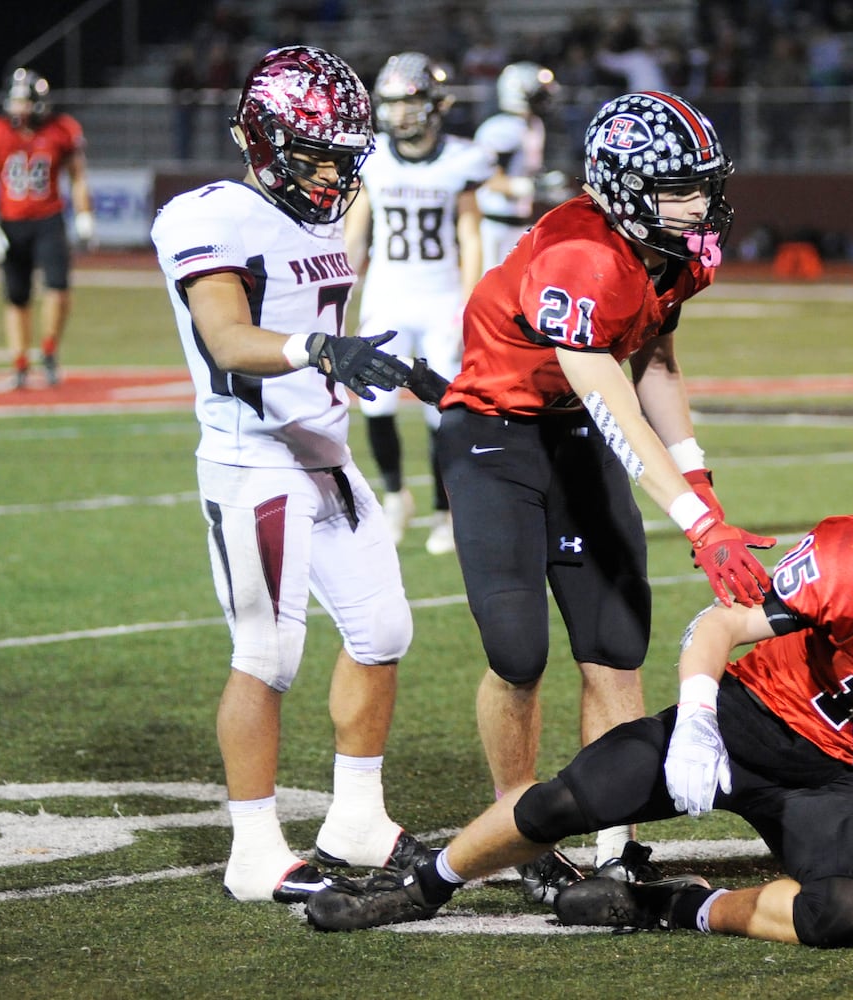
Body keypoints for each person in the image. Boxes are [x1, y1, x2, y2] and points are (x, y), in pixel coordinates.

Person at [305, 476, 853, 947]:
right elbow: (718, 625)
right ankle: (422, 889)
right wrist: (696, 722)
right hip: (741, 719)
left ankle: (671, 905)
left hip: (832, 781)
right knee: (567, 799)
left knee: (845, 912)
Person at [404, 90, 775, 903]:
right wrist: (697, 521)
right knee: (517, 654)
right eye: (680, 188)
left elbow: (655, 365)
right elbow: (612, 401)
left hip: (575, 430)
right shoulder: (581, 258)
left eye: (704, 184)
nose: (701, 204)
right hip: (497, 434)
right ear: (620, 187)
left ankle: (617, 841)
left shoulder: (674, 253)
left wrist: (699, 478)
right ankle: (517, 828)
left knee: (615, 645)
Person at [149, 45, 433, 905]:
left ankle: (355, 816)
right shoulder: (207, 217)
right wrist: (315, 348)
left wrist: (395, 370)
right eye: (318, 155)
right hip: (252, 463)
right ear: (263, 140)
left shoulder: (312, 217)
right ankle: (254, 850)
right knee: (267, 655)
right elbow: (229, 337)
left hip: (325, 456)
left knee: (383, 633)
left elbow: (323, 324)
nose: (333, 173)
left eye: (345, 157)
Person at [344, 52, 495, 555]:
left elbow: (470, 235)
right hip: (387, 292)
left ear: (434, 104)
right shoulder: (373, 157)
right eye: (389, 103)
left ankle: (443, 511)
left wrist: (470, 301)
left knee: (442, 410)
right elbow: (356, 231)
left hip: (440, 295)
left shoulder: (461, 158)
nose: (398, 114)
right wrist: (341, 286)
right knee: (375, 402)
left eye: (407, 102)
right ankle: (395, 495)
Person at [0, 67, 94, 389]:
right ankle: (20, 362)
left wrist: (84, 214)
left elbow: (77, 176)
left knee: (58, 288)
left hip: (49, 218)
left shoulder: (61, 129)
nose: (18, 108)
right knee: (17, 297)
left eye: (24, 101)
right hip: (11, 221)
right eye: (15, 101)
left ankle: (48, 352)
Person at [472, 61, 557, 271]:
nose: (543, 99)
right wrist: (533, 187)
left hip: (521, 222)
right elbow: (490, 180)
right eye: (538, 93)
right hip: (495, 225)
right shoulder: (500, 128)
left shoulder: (534, 125)